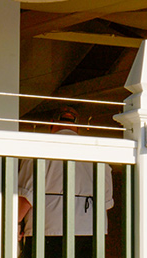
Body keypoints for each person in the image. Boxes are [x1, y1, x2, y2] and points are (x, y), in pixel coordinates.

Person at [18, 107, 114, 256]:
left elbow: (26, 196)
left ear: (51, 124)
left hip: (48, 232)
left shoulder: (39, 149)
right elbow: (106, 203)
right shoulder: (99, 155)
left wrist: (14, 224)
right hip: (91, 232)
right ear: (78, 128)